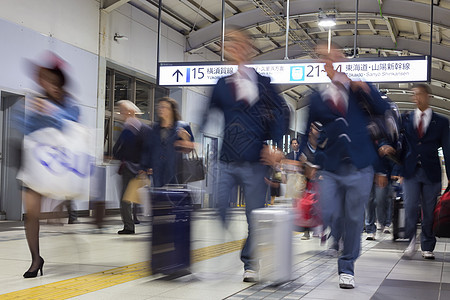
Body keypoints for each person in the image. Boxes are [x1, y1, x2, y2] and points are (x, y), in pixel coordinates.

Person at [200, 27, 289, 282]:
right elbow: (207, 112)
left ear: (249, 48)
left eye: (239, 42)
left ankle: (250, 262)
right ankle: (227, 230)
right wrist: (193, 135)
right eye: (230, 43)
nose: (233, 47)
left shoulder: (264, 83)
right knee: (217, 203)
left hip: (255, 162)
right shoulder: (221, 85)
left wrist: (275, 146)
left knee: (255, 216)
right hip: (227, 158)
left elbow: (282, 114)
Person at [299, 43, 391, 289]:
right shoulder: (317, 98)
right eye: (324, 57)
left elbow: (384, 110)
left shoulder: (358, 88)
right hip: (329, 165)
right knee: (329, 210)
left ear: (342, 59)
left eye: (334, 55)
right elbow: (306, 130)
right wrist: (303, 158)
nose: (330, 60)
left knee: (352, 217)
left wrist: (367, 88)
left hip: (360, 164)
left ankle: (347, 266)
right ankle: (328, 233)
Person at [20, 54, 80, 278]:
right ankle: (36, 259)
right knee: (31, 213)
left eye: (49, 79)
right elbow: (24, 126)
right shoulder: (36, 101)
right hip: (35, 162)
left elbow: (73, 127)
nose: (44, 83)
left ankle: (61, 206)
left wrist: (52, 112)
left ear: (58, 81)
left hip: (59, 164)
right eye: (42, 79)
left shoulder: (69, 104)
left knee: (52, 209)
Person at [399, 84, 450, 259]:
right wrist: (398, 170)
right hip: (410, 171)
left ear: (428, 96)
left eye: (419, 94)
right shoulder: (406, 119)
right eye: (414, 95)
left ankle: (427, 245)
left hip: (431, 171)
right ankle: (411, 242)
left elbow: (448, 149)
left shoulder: (442, 122)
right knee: (410, 206)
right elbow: (402, 147)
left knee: (429, 210)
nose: (416, 98)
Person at [113, 100, 151, 234]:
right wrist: (118, 155)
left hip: (138, 168)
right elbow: (117, 148)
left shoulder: (143, 129)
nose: (121, 113)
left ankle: (131, 225)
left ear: (131, 112)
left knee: (130, 197)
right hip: (127, 167)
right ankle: (129, 226)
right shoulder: (126, 128)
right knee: (126, 198)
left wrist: (146, 166)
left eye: (122, 110)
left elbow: (148, 149)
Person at [141, 97, 194, 188]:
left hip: (175, 171)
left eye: (164, 107)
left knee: (173, 198)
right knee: (159, 198)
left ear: (171, 110)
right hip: (157, 171)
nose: (161, 109)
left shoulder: (182, 126)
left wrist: (186, 140)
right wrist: (144, 167)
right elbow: (147, 149)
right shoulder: (154, 128)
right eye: (159, 107)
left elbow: (190, 149)